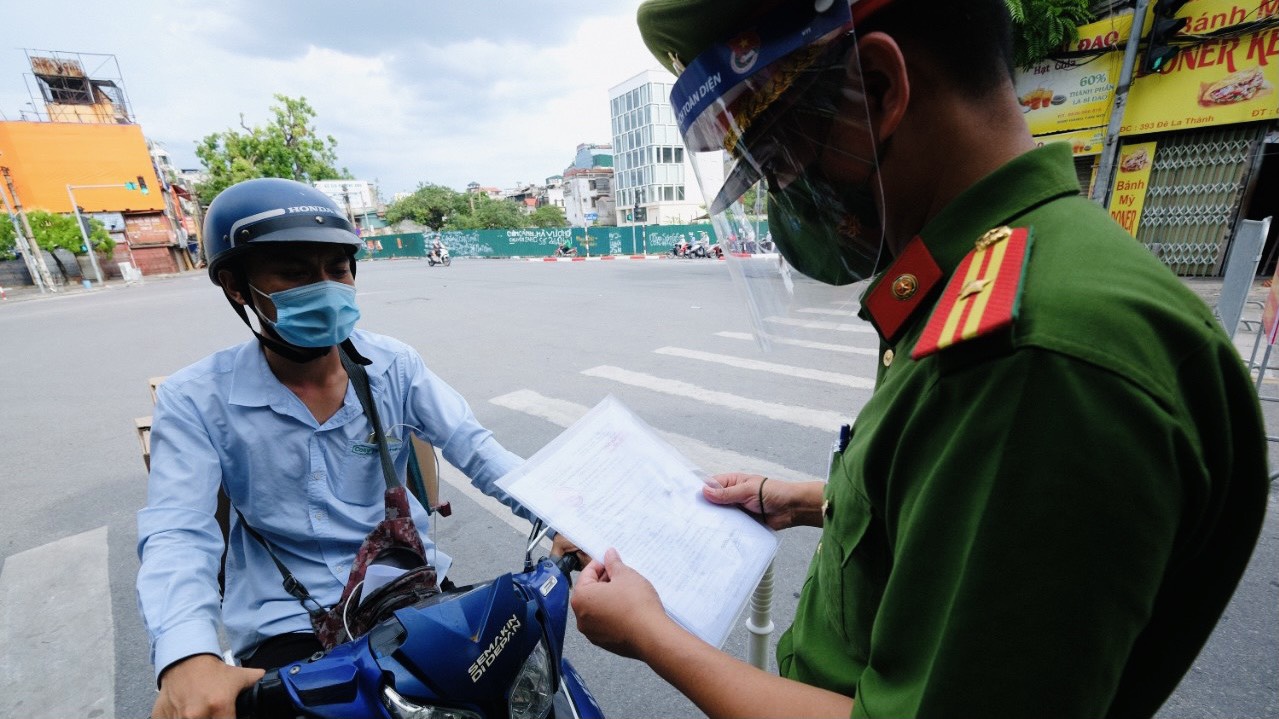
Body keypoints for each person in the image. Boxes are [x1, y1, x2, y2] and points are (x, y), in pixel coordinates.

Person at [570, 2, 1270, 718]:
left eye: (778, 158)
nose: (783, 195)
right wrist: (807, 498)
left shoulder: (1032, 355)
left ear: (877, 89)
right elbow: (941, 507)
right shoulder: (993, 270)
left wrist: (651, 633)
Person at [136, 178, 564, 719]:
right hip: (286, 627)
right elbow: (177, 530)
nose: (324, 287)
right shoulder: (195, 398)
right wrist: (186, 657)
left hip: (408, 595)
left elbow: (478, 450)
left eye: (336, 270)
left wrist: (564, 519)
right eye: (294, 273)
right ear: (237, 286)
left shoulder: (394, 366)